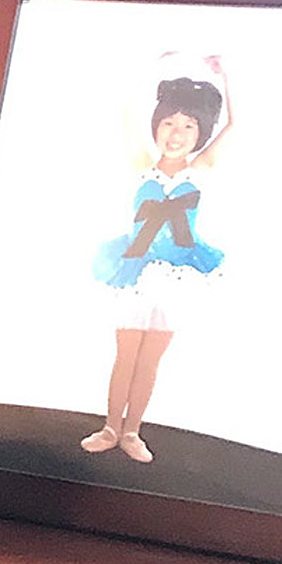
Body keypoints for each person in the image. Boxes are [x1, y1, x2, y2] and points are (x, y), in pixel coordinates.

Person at [81, 62, 231, 465]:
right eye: (168, 123)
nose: (176, 134)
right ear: (157, 126)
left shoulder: (201, 171)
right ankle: (111, 426)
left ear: (200, 133)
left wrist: (228, 73)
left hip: (176, 276)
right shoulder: (140, 166)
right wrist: (152, 69)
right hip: (135, 272)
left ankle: (133, 432)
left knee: (150, 360)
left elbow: (238, 125)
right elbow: (127, 116)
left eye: (187, 126)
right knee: (125, 355)